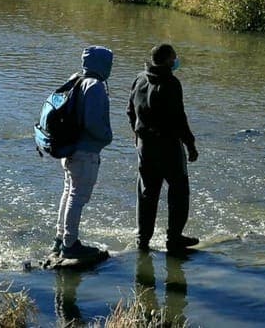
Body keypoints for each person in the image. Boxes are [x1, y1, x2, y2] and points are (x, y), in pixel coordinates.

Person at [128, 44, 199, 252]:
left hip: (145, 146)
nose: (176, 61)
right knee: (179, 191)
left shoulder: (139, 78)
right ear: (168, 60)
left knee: (147, 193)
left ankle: (143, 240)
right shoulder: (171, 83)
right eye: (174, 58)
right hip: (168, 146)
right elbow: (179, 119)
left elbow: (130, 110)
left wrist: (137, 134)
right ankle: (174, 238)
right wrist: (191, 145)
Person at [54, 46, 114, 259]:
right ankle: (70, 245)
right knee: (77, 198)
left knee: (69, 193)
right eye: (109, 63)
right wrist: (108, 137)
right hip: (85, 152)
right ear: (101, 64)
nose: (110, 68)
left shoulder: (76, 80)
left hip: (69, 149)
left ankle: (60, 239)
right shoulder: (95, 86)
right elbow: (94, 123)